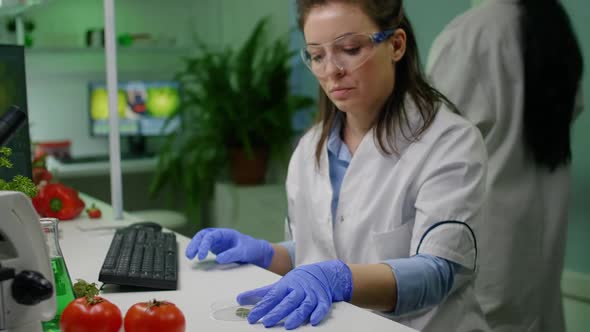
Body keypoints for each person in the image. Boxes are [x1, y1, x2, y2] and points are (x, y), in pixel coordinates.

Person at [186, 1, 491, 330]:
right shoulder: (310, 149)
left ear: (396, 44)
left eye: (349, 48)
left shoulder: (449, 142)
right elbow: (314, 253)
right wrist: (265, 254)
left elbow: (438, 272)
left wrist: (339, 279)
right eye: (317, 56)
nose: (332, 70)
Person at [426, 0, 584, 331]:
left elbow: (432, 145)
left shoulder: (470, 35)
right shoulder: (553, 26)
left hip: (488, 254)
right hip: (539, 250)